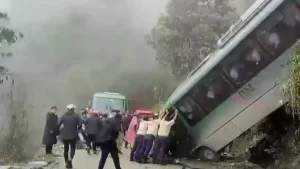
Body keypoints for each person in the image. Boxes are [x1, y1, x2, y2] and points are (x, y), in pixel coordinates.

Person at [57, 104, 83, 169]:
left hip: (64, 135)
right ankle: (70, 159)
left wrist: (59, 131)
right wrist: (78, 128)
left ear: (67, 109)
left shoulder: (63, 115)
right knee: (72, 148)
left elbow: (58, 124)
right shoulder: (76, 116)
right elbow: (80, 123)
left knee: (66, 149)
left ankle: (66, 161)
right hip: (73, 135)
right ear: (73, 109)